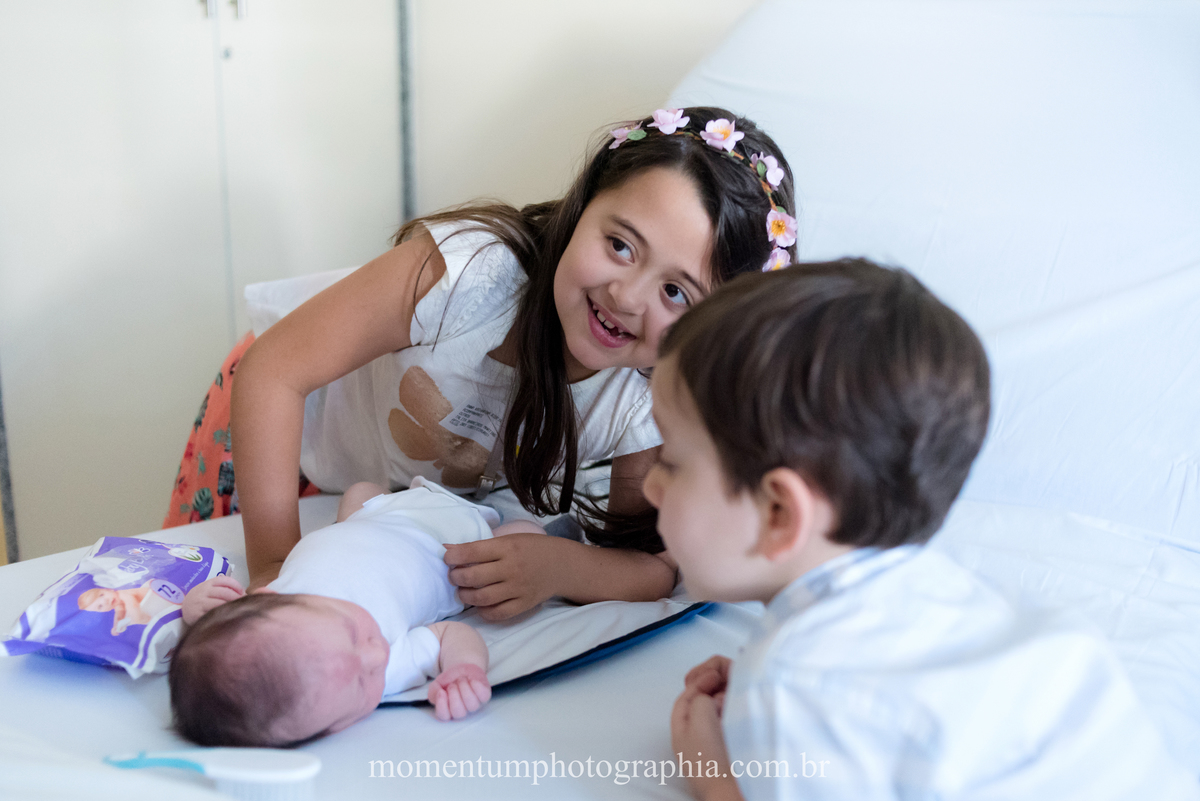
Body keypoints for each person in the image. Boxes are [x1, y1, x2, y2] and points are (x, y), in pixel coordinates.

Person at [167, 107, 798, 621]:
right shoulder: (470, 271)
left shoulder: (649, 395)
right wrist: (275, 566)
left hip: (379, 503)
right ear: (582, 207)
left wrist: (559, 567)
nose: (626, 297)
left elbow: (652, 562)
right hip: (278, 428)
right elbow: (275, 373)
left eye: (676, 292)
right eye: (619, 244)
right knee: (208, 622)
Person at [645, 262, 1199, 800]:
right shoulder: (944, 597)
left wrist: (712, 771)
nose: (649, 486)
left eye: (670, 459)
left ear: (780, 514)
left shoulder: (797, 690)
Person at [170, 478, 542, 747]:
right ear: (335, 726)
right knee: (527, 538)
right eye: (363, 682)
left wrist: (195, 608)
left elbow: (218, 637)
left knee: (360, 490)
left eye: (352, 633)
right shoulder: (391, 667)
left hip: (378, 514)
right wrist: (465, 668)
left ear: (267, 596)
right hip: (458, 544)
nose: (376, 652)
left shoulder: (268, 610)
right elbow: (452, 637)